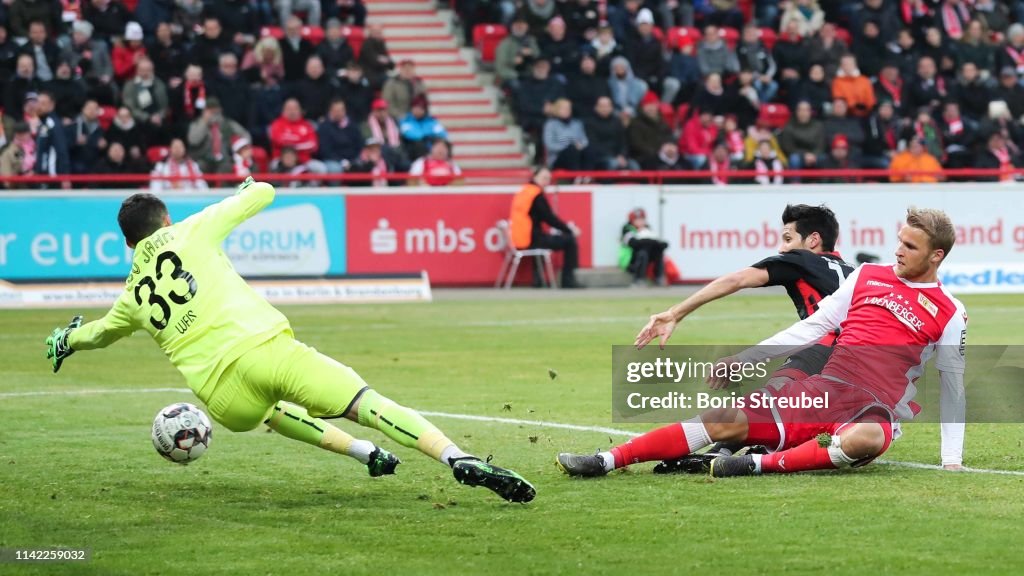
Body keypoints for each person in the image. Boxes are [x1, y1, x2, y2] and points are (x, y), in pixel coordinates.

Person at [44, 179, 536, 503]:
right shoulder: (191, 231)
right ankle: (458, 458)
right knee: (366, 403)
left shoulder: (131, 295)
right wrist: (248, 185)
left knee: (272, 413)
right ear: (166, 221)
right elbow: (264, 193)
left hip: (221, 400)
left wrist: (67, 339)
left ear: (128, 245)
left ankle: (364, 454)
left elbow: (99, 333)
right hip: (266, 351)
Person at [559, 207, 967, 477]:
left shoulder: (951, 311)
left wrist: (951, 460)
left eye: (909, 247)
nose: (897, 251)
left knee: (865, 438)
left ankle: (756, 464)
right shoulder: (866, 276)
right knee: (722, 419)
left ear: (936, 256)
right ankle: (606, 460)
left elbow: (952, 386)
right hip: (821, 389)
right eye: (899, 240)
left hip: (873, 407)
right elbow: (812, 327)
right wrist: (746, 358)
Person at [509, 167, 582, 289]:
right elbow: (549, 218)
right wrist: (569, 230)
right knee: (569, 240)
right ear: (535, 177)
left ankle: (538, 280)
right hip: (531, 239)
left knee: (543, 239)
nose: (546, 181)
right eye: (544, 178)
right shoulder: (536, 195)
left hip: (520, 238)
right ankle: (568, 280)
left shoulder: (524, 191)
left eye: (548, 179)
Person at [620, 208, 668, 287]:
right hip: (629, 261)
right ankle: (638, 280)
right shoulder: (627, 229)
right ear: (632, 220)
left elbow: (658, 244)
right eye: (637, 219)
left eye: (642, 219)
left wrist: (658, 244)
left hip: (646, 260)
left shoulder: (647, 229)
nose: (640, 222)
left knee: (658, 251)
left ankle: (659, 277)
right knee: (643, 253)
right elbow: (634, 243)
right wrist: (649, 240)